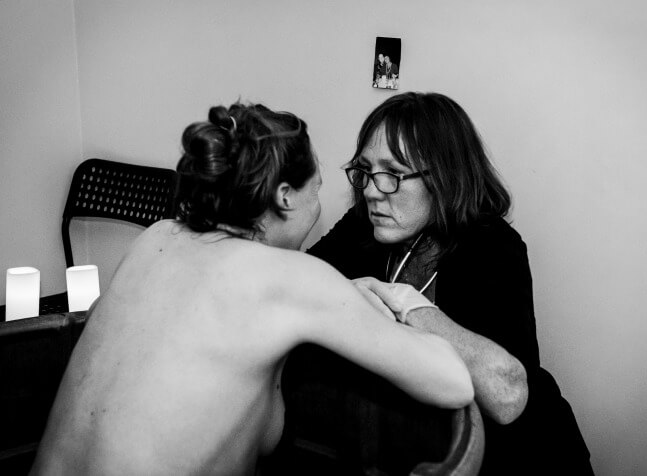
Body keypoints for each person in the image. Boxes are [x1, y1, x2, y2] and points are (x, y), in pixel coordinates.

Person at [30, 101, 473, 476]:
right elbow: (453, 383)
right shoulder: (289, 276)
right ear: (285, 196)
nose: (319, 208)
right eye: (315, 191)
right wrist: (393, 299)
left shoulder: (156, 238)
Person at [307, 91, 594, 475]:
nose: (373, 190)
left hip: (521, 457)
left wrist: (406, 304)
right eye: (365, 171)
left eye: (393, 174)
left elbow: (506, 398)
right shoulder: (363, 224)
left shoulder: (493, 246)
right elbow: (303, 280)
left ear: (442, 178)